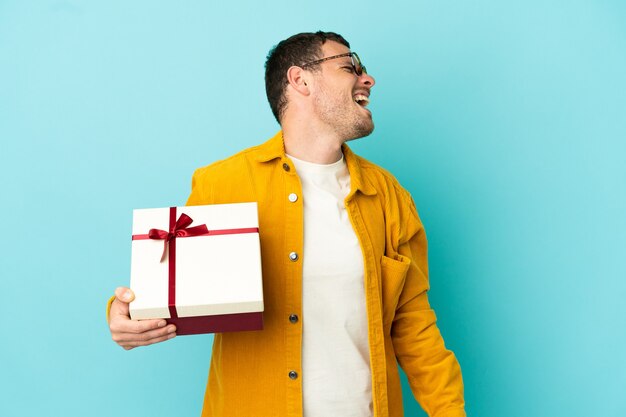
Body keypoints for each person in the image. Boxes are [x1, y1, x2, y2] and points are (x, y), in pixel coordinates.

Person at [108, 31, 465, 417]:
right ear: (301, 80)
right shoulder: (222, 184)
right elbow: (165, 289)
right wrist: (124, 313)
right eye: (350, 67)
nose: (368, 79)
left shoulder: (390, 197)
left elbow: (415, 329)